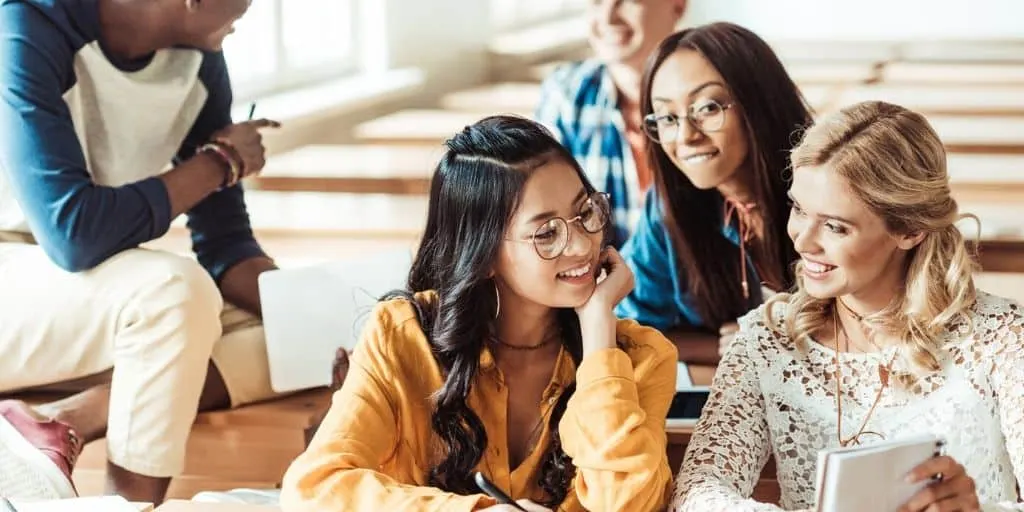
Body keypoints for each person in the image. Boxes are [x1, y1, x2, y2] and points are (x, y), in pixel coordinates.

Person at [280, 116, 678, 512]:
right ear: (483, 254)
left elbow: (628, 505)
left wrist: (596, 332)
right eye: (546, 234)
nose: (580, 245)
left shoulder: (639, 356)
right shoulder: (401, 335)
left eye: (586, 213)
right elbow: (315, 487)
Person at [671, 101, 1024, 511]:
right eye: (799, 209)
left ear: (909, 229)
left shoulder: (1003, 339)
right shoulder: (766, 341)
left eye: (836, 226)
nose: (803, 240)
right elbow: (697, 491)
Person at [0, 0, 285, 504]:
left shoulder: (199, 59)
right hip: (14, 277)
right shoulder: (24, 26)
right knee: (175, 293)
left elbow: (226, 244)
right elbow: (73, 232)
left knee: (296, 341)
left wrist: (310, 308)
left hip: (79, 296)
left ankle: (63, 419)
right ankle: (129, 505)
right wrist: (219, 162)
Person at [616, 23, 812, 374]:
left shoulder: (833, 192)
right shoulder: (667, 210)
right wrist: (725, 346)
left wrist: (773, 338)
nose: (685, 136)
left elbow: (882, 327)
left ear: (759, 101)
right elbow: (625, 329)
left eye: (707, 108)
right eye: (667, 117)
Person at [535, 0, 687, 248]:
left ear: (678, 5)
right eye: (596, 1)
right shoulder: (566, 95)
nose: (608, 17)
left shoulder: (718, 95)